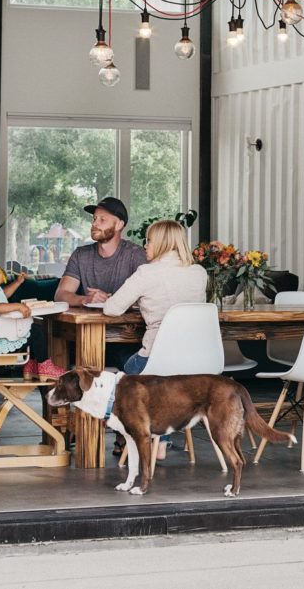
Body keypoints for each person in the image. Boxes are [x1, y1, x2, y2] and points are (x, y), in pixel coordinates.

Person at [104, 219, 207, 459]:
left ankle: (138, 436)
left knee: (128, 371)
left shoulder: (147, 273)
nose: (145, 246)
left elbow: (111, 308)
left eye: (149, 240)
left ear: (161, 243)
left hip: (158, 361)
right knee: (163, 380)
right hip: (196, 364)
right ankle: (161, 441)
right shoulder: (199, 273)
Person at [0, 255, 66, 381]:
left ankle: (31, 366)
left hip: (1, 336)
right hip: (6, 339)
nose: (1, 270)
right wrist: (18, 306)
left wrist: (17, 282)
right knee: (36, 332)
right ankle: (45, 366)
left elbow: (4, 295)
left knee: (33, 330)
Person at [55, 197, 146, 306]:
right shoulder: (80, 255)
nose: (94, 224)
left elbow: (149, 296)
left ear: (119, 225)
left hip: (125, 322)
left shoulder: (136, 255)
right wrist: (85, 300)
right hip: (87, 322)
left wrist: (110, 301)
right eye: (94, 219)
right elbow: (60, 295)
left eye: (102, 219)